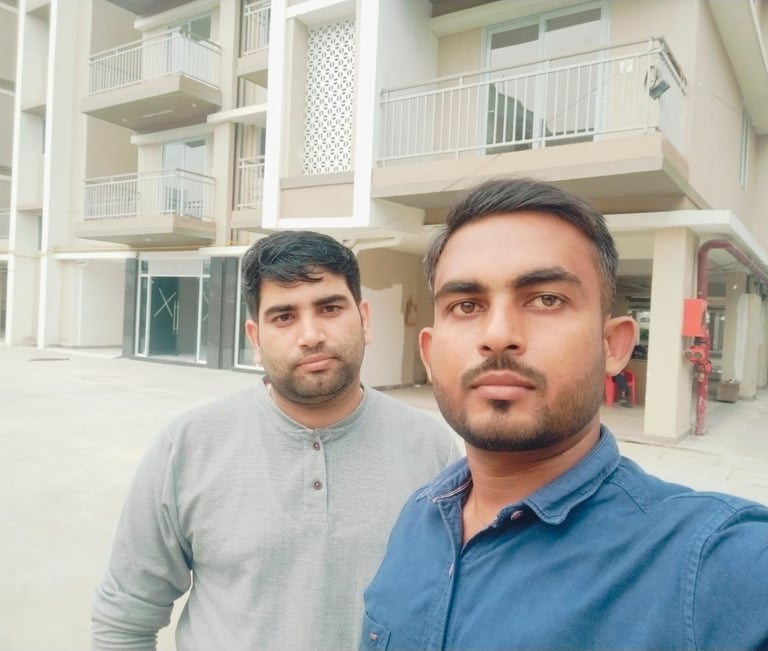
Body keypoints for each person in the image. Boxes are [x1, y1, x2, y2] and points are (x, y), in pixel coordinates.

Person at [361, 178, 768, 650]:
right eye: (466, 305)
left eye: (546, 299)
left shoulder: (716, 564)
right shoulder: (418, 516)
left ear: (613, 345)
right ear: (430, 355)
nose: (498, 335)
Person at [91, 231, 460, 651]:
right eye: (284, 317)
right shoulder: (188, 447)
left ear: (364, 319)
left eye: (329, 308)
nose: (311, 335)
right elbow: (124, 618)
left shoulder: (431, 448)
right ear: (255, 339)